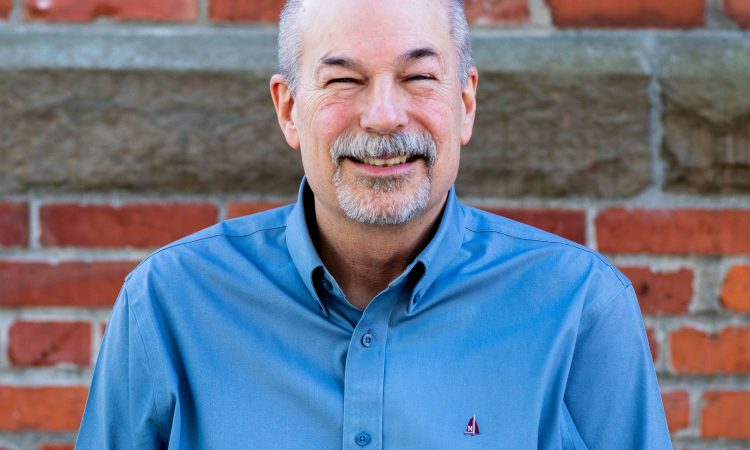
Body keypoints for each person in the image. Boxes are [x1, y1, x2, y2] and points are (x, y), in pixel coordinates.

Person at [76, 0, 672, 448]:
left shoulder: (580, 310)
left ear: (465, 103)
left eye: (417, 78)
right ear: (288, 110)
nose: (384, 116)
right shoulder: (168, 304)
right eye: (344, 79)